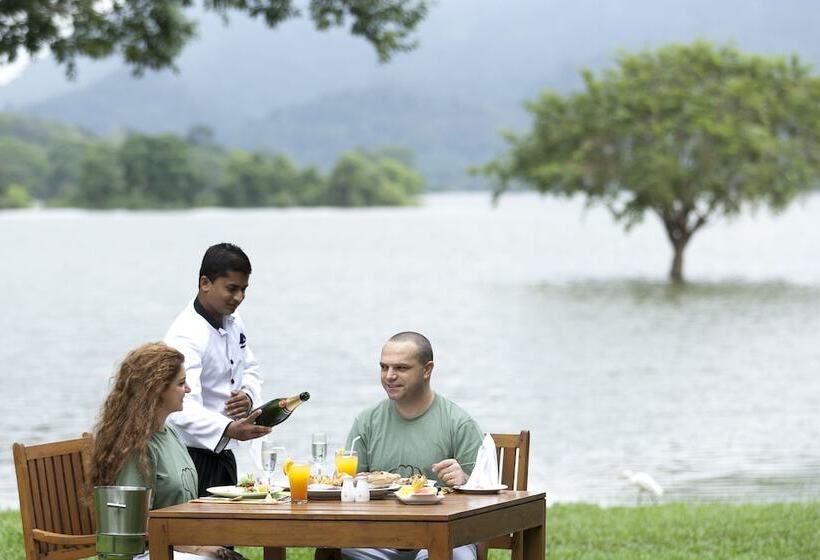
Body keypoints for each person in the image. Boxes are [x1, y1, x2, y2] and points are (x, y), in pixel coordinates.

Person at [88, 342, 246, 560]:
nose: (188, 390)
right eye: (181, 383)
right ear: (157, 389)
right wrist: (197, 549)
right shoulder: (136, 447)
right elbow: (133, 530)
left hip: (173, 547)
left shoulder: (170, 432)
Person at [342, 332, 483, 560]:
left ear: (427, 370)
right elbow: (347, 487)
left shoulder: (458, 422)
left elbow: (487, 499)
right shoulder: (366, 422)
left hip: (444, 537)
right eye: (384, 367)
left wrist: (466, 481)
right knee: (345, 548)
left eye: (401, 368)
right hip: (380, 537)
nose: (389, 376)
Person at [165, 242, 271, 496]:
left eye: (244, 289)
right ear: (205, 283)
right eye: (232, 289)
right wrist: (228, 428)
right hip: (191, 458)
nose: (239, 298)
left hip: (226, 452)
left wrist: (247, 395)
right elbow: (179, 407)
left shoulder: (233, 320)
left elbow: (251, 367)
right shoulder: (185, 336)